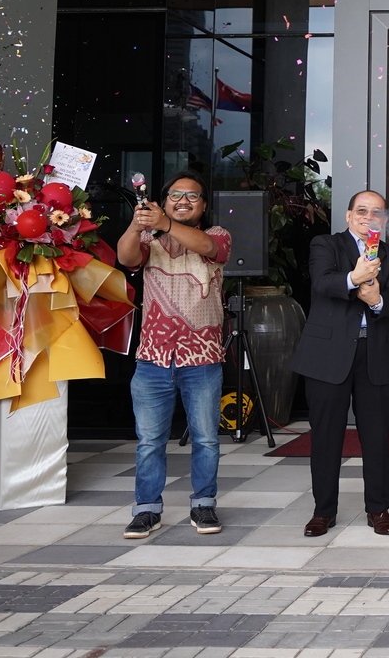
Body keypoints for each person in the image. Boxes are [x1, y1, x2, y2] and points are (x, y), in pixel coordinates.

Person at [115, 172, 232, 539]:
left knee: (206, 439)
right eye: (175, 195)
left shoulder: (217, 235)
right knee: (150, 441)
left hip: (203, 358)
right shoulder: (149, 239)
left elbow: (209, 249)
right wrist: (137, 226)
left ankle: (204, 505)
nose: (183, 200)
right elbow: (125, 256)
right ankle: (147, 510)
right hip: (153, 358)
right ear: (162, 201)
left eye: (192, 196)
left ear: (203, 205)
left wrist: (164, 223)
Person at [289, 190, 389, 537]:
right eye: (362, 210)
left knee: (377, 438)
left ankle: (379, 509)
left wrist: (378, 300)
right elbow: (323, 282)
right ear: (349, 215)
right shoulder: (326, 244)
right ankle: (323, 511)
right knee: (325, 438)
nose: (369, 217)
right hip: (328, 356)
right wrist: (355, 279)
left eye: (377, 212)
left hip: (375, 355)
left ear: (384, 220)